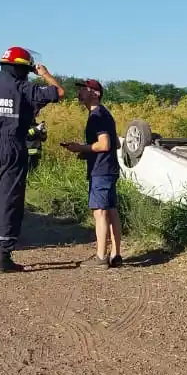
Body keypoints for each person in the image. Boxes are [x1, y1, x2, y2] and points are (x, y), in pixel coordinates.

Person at [0, 46, 64, 273]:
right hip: (12, 147)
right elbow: (59, 92)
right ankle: (3, 258)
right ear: (21, 69)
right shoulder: (23, 87)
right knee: (9, 200)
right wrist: (44, 74)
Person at [63, 79, 122, 269]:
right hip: (109, 168)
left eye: (84, 89)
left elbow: (104, 144)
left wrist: (81, 147)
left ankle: (100, 258)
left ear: (95, 94)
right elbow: (115, 144)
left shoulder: (97, 115)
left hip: (101, 171)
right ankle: (115, 255)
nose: (79, 92)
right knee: (111, 211)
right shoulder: (103, 114)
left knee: (100, 212)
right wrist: (86, 151)